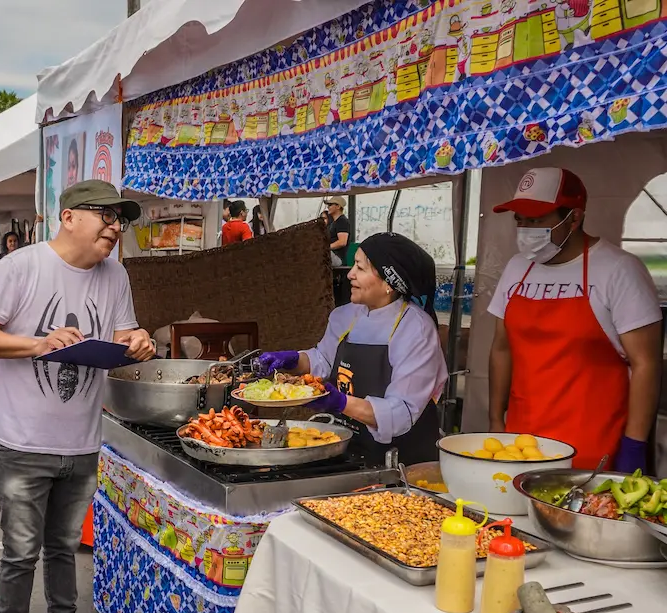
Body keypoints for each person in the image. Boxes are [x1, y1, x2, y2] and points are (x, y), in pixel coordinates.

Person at [0, 180, 156, 613]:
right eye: (106, 215)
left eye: (122, 219)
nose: (116, 227)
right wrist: (37, 344)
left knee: (64, 549)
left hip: (83, 440)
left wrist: (138, 341)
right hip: (23, 442)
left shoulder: (116, 275)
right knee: (21, 553)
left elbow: (122, 335)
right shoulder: (20, 267)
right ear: (69, 217)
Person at [488, 167, 662, 472]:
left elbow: (646, 362)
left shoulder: (619, 270)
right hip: (521, 445)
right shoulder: (517, 268)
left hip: (591, 449)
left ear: (575, 217)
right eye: (521, 220)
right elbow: (501, 348)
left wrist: (634, 445)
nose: (526, 228)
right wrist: (494, 417)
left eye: (537, 220)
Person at [259, 232, 447, 465]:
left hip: (401, 459)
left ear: (389, 282)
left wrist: (339, 402)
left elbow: (400, 413)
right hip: (349, 447)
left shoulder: (415, 329)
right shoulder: (345, 315)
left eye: (360, 267)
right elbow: (324, 359)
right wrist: (293, 360)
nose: (350, 274)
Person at [325, 196, 351, 267]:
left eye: (330, 205)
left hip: (338, 258)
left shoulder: (342, 221)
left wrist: (325, 248)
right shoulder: (334, 222)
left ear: (338, 206)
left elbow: (342, 242)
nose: (328, 207)